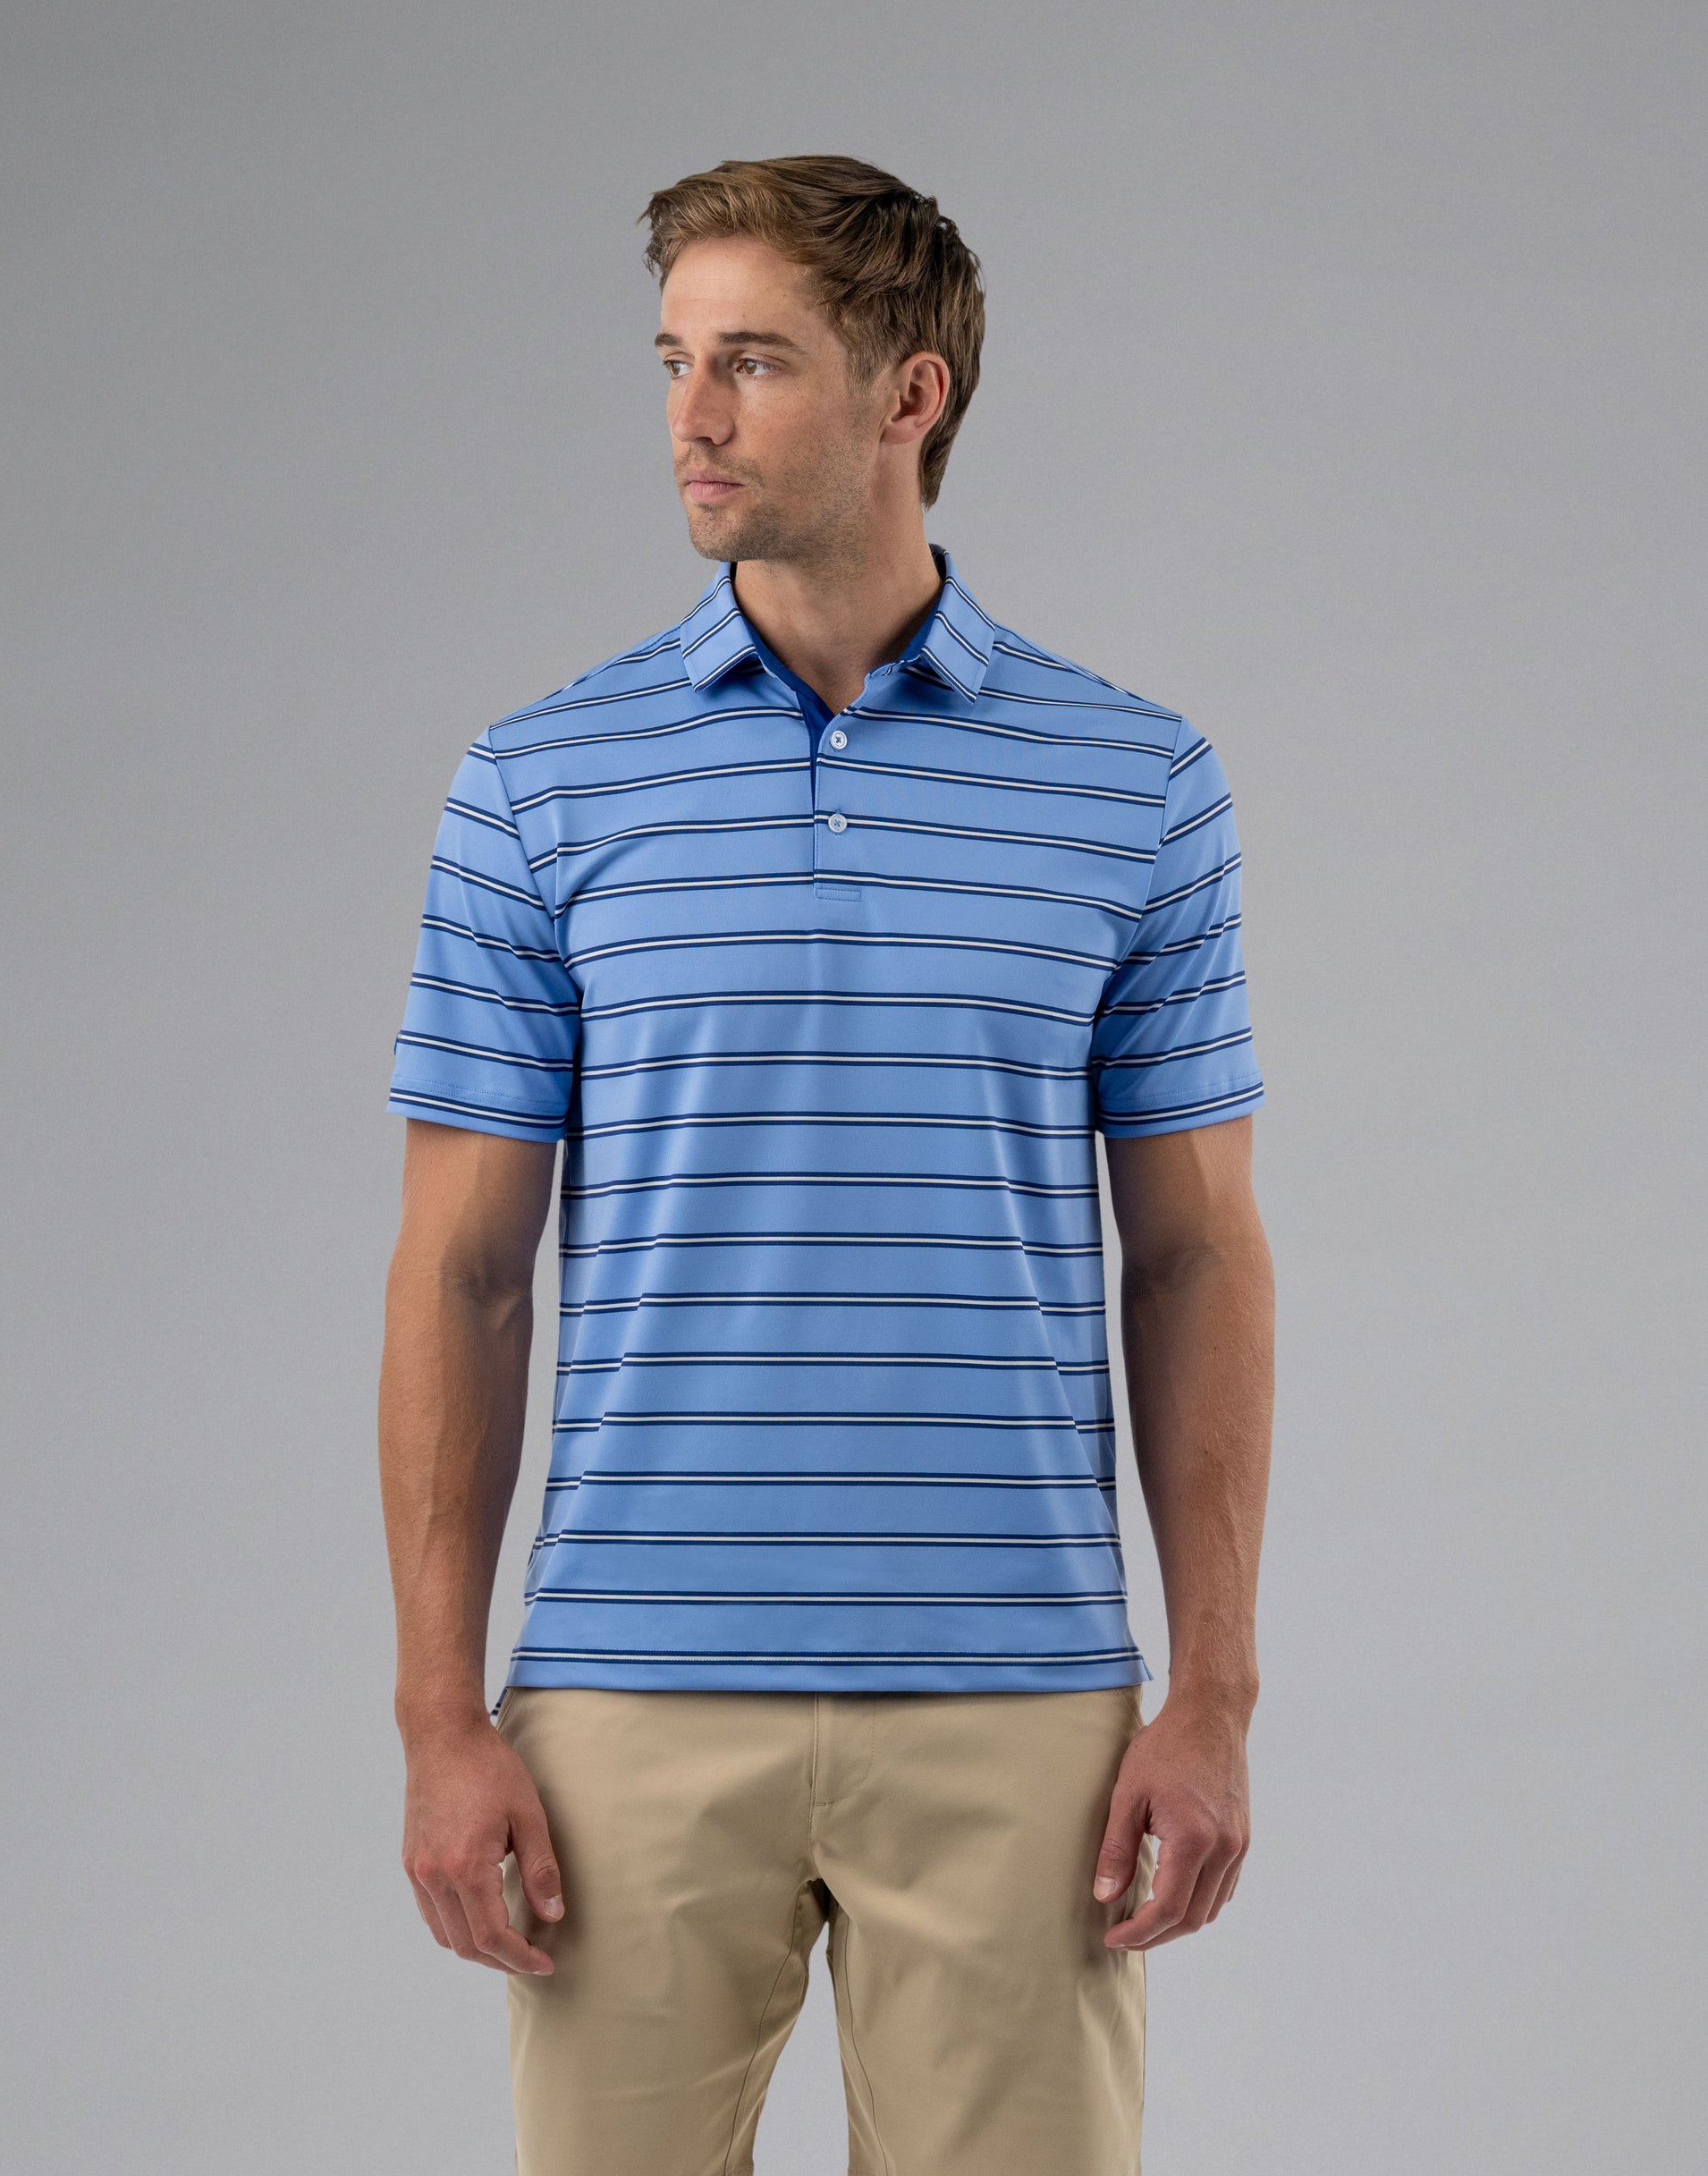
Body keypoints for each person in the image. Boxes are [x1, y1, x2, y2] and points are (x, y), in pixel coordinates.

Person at [377, 153, 1274, 2176]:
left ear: (908, 394)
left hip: (1019, 1709)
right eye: (673, 360)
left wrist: (1212, 1690)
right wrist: (439, 1715)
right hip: (627, 1701)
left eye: (753, 362)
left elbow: (1198, 1256)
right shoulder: (540, 781)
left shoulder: (1135, 780)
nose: (689, 416)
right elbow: (460, 1271)